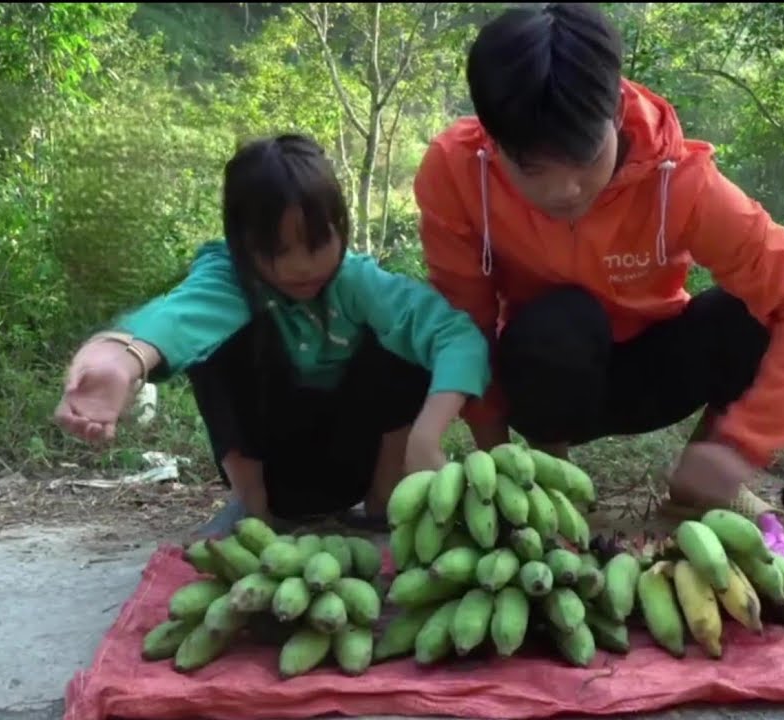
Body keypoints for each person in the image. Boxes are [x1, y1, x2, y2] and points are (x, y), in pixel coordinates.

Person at [411, 3, 784, 511]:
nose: (565, 189)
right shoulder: (456, 171)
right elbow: (468, 322)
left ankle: (701, 481)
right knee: (560, 320)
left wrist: (740, 445)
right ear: (494, 140)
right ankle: (553, 480)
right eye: (532, 169)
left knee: (748, 315)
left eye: (585, 158)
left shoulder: (683, 181)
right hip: (547, 378)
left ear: (616, 113)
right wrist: (499, 468)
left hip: (654, 371)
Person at [53, 134, 491, 537]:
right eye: (278, 251)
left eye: (317, 245)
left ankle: (383, 504)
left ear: (342, 228)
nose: (300, 267)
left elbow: (456, 335)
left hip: (356, 459)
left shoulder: (357, 283)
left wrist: (427, 436)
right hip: (276, 467)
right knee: (218, 344)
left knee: (401, 339)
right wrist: (122, 356)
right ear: (242, 244)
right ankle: (254, 513)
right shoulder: (230, 278)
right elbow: (182, 317)